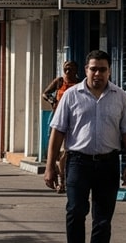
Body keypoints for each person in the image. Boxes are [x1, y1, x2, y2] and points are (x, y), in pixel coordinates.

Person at [44, 50, 126, 243]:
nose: (98, 74)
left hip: (108, 163)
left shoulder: (120, 97)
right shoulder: (71, 96)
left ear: (109, 71)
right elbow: (58, 131)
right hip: (78, 163)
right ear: (86, 70)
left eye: (102, 70)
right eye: (94, 69)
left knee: (103, 219)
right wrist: (50, 166)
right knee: (75, 212)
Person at [44, 60, 82, 192]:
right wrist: (52, 101)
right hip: (58, 119)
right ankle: (60, 179)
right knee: (56, 151)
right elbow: (45, 93)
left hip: (74, 121)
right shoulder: (59, 82)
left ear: (76, 70)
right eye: (66, 69)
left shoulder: (80, 84)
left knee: (66, 152)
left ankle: (64, 181)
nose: (68, 72)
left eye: (71, 69)